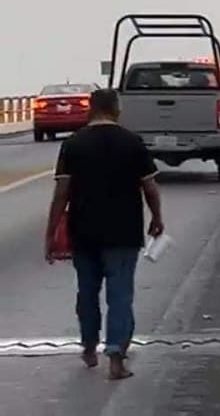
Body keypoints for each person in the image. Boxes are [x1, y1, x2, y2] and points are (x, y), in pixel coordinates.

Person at [45, 88, 164, 380]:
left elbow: (61, 193)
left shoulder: (73, 144)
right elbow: (149, 187)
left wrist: (51, 233)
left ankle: (88, 347)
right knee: (120, 294)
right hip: (123, 232)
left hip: (84, 232)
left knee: (87, 292)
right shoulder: (132, 142)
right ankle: (115, 358)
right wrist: (157, 217)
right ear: (116, 109)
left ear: (91, 109)